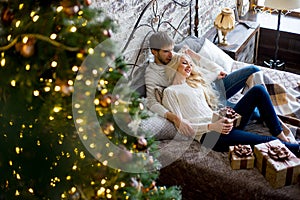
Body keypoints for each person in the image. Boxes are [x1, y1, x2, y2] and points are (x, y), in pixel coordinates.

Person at [161, 53, 300, 155]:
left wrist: (224, 115)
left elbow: (208, 105)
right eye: (185, 62)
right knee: (266, 140)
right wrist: (212, 126)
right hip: (210, 136)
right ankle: (296, 149)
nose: (190, 66)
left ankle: (280, 134)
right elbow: (182, 128)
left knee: (259, 90)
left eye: (190, 64)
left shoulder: (194, 85)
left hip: (224, 123)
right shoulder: (170, 92)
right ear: (174, 66)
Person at [145, 31, 260, 137]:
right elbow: (151, 102)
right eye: (166, 51)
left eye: (171, 49)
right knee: (252, 110)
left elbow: (199, 73)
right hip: (207, 98)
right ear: (154, 52)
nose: (171, 54)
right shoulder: (152, 74)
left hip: (211, 87)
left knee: (252, 70)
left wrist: (195, 57)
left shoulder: (178, 57)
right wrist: (175, 118)